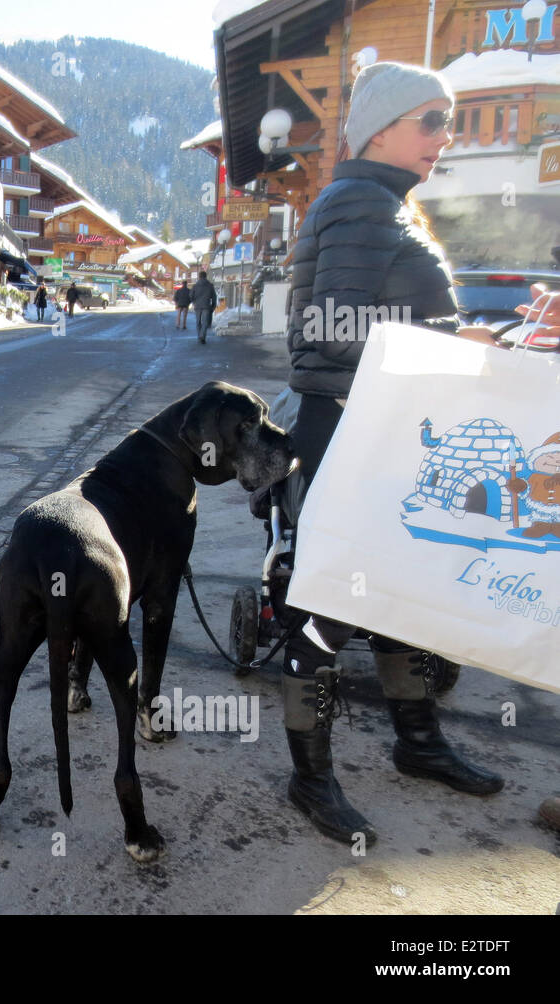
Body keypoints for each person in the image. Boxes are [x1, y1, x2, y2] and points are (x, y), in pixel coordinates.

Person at [280, 61, 504, 848]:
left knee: (399, 591)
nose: (446, 137)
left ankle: (418, 743)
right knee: (330, 611)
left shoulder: (378, 203)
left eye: (448, 121)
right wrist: (462, 340)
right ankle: (310, 776)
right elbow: (336, 335)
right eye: (432, 121)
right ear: (382, 127)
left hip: (380, 424)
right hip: (350, 428)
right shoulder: (357, 204)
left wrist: (494, 339)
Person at [191, 271, 216, 343]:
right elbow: (214, 296)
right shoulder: (210, 285)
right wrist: (213, 305)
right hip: (206, 305)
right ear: (206, 276)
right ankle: (202, 336)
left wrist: (194, 302)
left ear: (199, 276)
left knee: (198, 322)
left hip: (197, 306)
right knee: (205, 322)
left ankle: (199, 336)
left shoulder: (195, 286)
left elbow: (191, 295)